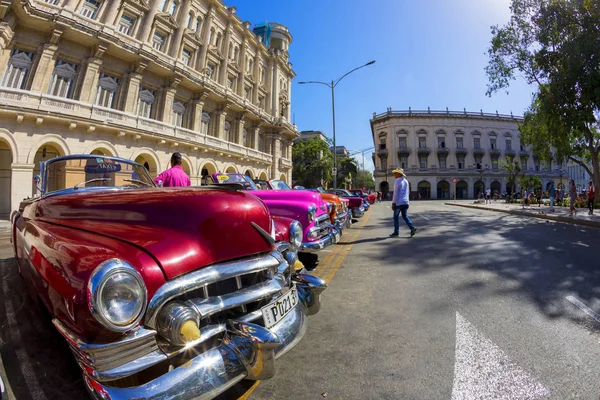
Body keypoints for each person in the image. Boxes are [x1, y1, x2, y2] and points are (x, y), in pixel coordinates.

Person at [389, 169, 417, 238]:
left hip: (399, 202)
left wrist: (393, 203)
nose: (394, 175)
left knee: (395, 217)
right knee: (404, 216)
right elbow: (408, 192)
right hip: (405, 202)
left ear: (399, 174)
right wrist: (407, 200)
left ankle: (396, 232)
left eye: (395, 173)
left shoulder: (397, 181)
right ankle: (412, 227)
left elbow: (396, 193)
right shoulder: (406, 181)